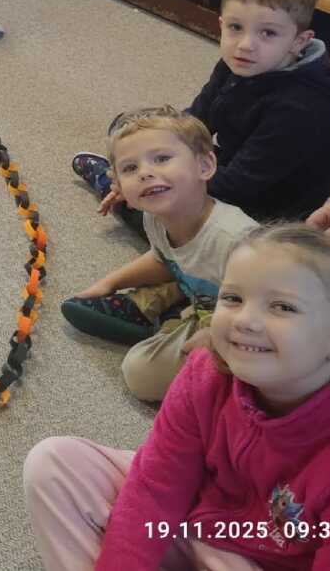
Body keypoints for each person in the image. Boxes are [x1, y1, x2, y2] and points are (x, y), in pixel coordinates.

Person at [25, 223, 330, 570]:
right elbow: (156, 489)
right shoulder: (205, 374)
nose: (245, 320)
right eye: (233, 298)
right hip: (194, 524)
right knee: (55, 465)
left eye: (283, 307)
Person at [74, 0, 330, 226]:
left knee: (157, 215)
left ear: (299, 41)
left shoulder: (299, 110)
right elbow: (194, 122)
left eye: (268, 33)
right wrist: (153, 148)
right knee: (129, 128)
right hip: (233, 163)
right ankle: (125, 177)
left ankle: (110, 183)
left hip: (263, 211)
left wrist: (149, 184)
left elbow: (238, 185)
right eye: (236, 28)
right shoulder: (239, 63)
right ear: (222, 24)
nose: (245, 45)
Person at [63, 107, 258, 401]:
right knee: (143, 371)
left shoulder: (235, 239)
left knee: (141, 374)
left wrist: (215, 338)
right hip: (209, 307)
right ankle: (168, 318)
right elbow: (163, 259)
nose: (145, 173)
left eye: (162, 159)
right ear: (120, 187)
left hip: (247, 325)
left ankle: (166, 319)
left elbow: (267, 308)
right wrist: (109, 283)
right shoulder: (154, 218)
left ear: (205, 166)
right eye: (130, 168)